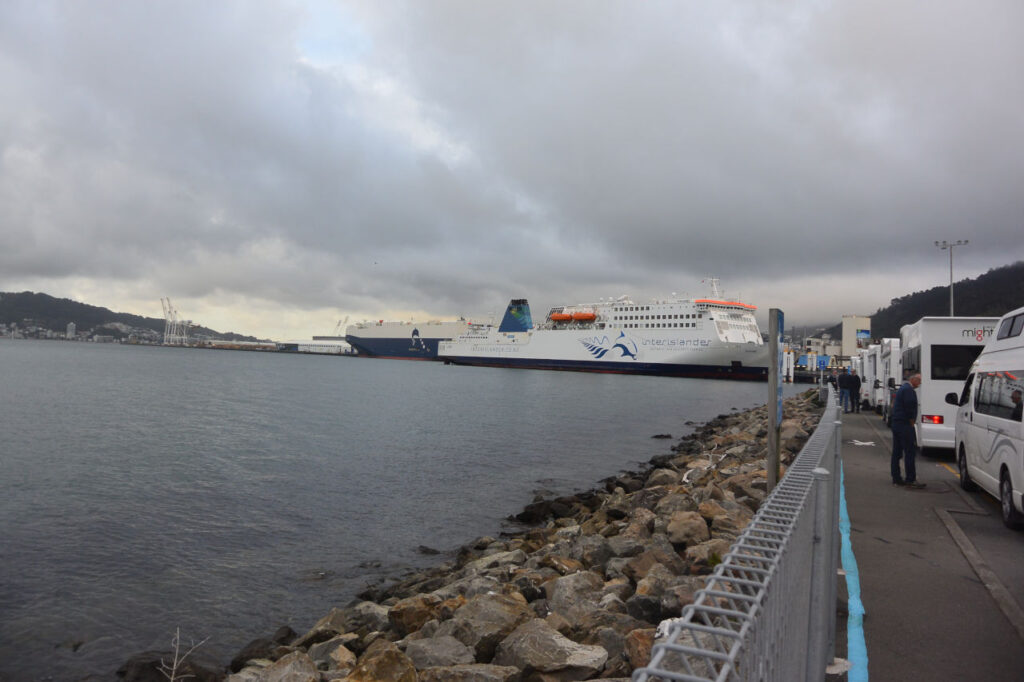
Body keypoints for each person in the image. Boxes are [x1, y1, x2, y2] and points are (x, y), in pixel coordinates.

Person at [891, 373, 925, 488]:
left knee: (897, 452)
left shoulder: (903, 389)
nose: (920, 383)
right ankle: (910, 478)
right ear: (913, 379)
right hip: (904, 424)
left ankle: (896, 477)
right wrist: (911, 420)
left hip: (896, 423)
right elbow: (910, 406)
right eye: (919, 381)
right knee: (910, 451)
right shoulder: (909, 391)